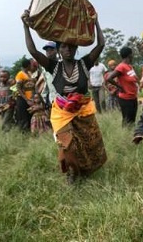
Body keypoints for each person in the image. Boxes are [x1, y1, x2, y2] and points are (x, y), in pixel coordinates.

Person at [22, 10, 107, 184]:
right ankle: (71, 173)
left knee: (89, 144)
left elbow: (101, 44)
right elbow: (33, 51)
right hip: (61, 112)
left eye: (71, 46)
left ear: (76, 48)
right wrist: (25, 26)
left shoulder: (84, 63)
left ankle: (85, 171)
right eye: (63, 47)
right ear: (59, 50)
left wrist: (96, 22)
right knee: (66, 145)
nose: (67, 49)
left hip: (83, 110)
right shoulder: (53, 67)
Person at [106, 47, 139, 126]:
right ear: (129, 55)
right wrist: (119, 87)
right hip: (125, 98)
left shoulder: (129, 66)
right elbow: (109, 78)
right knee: (127, 120)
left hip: (133, 97)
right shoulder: (121, 66)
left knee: (132, 120)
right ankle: (125, 135)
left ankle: (130, 134)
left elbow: (134, 79)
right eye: (132, 54)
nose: (133, 56)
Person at [15, 58, 36, 132]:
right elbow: (19, 89)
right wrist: (26, 99)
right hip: (23, 99)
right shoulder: (20, 75)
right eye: (30, 64)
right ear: (28, 65)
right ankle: (23, 132)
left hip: (30, 99)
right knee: (23, 116)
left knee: (29, 115)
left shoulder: (29, 73)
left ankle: (30, 131)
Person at [40, 41, 58, 117]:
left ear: (57, 50)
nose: (49, 52)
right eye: (47, 50)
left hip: (64, 98)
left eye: (51, 50)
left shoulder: (63, 63)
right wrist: (44, 99)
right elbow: (46, 84)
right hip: (52, 99)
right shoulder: (44, 68)